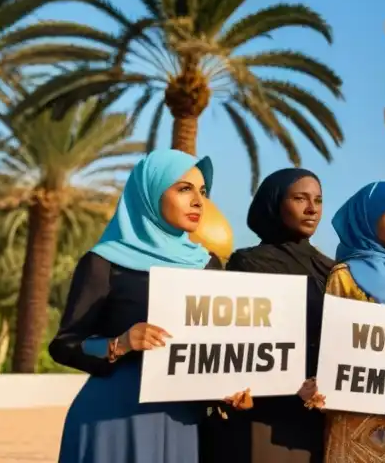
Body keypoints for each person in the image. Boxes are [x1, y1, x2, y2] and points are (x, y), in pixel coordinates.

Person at [50, 150, 249, 463]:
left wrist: (229, 390)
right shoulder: (103, 262)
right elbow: (64, 345)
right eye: (184, 189)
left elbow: (214, 350)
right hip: (113, 420)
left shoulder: (207, 265)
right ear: (150, 192)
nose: (199, 201)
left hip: (184, 422)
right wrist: (121, 343)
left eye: (203, 192)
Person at [297, 180, 385, 462]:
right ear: (368, 217)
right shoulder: (346, 276)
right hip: (354, 430)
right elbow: (335, 354)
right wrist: (319, 388)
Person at [210, 168, 334, 463]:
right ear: (275, 203)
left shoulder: (331, 269)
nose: (311, 208)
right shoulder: (249, 262)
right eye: (299, 198)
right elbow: (240, 340)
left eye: (318, 200)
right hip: (268, 415)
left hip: (321, 415)